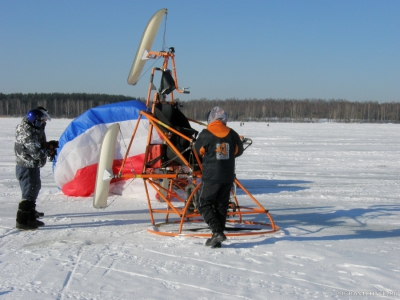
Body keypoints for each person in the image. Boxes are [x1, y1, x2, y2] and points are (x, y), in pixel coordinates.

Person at [194, 106, 244, 248]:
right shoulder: (232, 134)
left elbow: (198, 151)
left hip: (211, 176)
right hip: (227, 176)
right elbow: (238, 151)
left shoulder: (205, 133)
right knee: (221, 206)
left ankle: (217, 232)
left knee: (203, 203)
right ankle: (217, 239)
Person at [14, 108, 56, 230]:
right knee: (28, 193)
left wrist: (47, 145)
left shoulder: (33, 128)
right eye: (41, 121)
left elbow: (37, 145)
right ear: (35, 121)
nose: (43, 123)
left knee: (34, 189)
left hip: (32, 166)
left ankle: (31, 217)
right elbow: (36, 153)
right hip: (26, 167)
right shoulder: (27, 133)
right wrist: (48, 150)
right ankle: (22, 221)